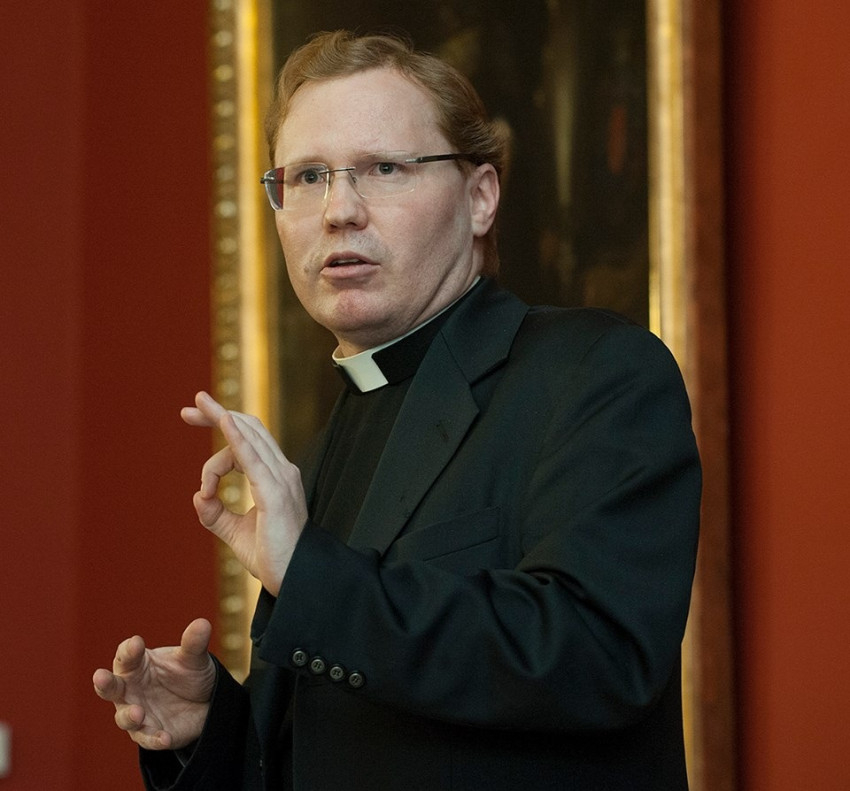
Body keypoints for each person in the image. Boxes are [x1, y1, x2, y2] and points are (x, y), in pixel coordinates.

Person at [93, 30, 700, 790]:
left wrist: (310, 578)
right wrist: (213, 729)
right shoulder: (325, 449)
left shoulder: (596, 372)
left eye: (383, 168)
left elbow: (596, 655)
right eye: (307, 176)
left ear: (480, 199)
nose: (339, 210)